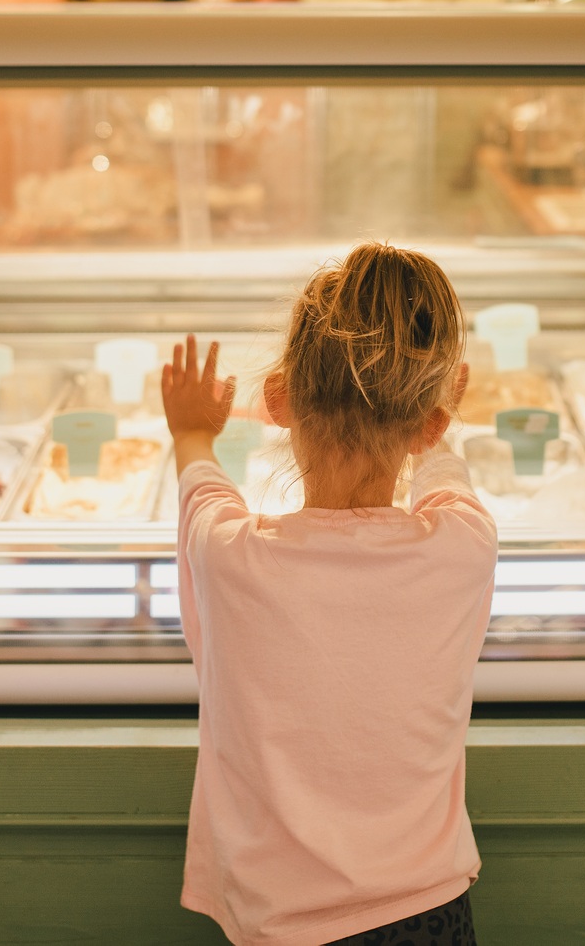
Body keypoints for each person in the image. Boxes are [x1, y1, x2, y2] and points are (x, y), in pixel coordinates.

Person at [160, 242, 498, 946]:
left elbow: (200, 480)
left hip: (281, 924)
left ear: (278, 401)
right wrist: (437, 420)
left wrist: (193, 428)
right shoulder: (465, 542)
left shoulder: (229, 555)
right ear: (431, 422)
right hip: (430, 911)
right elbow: (446, 471)